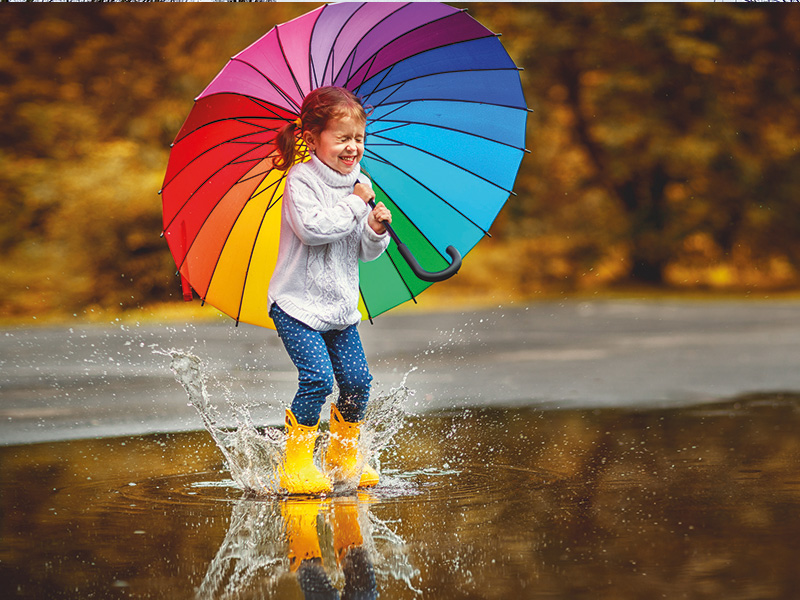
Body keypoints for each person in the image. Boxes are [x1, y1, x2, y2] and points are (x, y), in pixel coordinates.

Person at [269, 87, 392, 495]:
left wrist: (375, 230)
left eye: (358, 138)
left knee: (357, 382)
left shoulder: (360, 182)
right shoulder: (300, 181)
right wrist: (357, 205)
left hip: (339, 306)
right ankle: (297, 463)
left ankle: (342, 457)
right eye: (342, 138)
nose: (352, 147)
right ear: (311, 138)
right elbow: (314, 230)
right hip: (297, 305)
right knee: (318, 379)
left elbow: (362, 250)